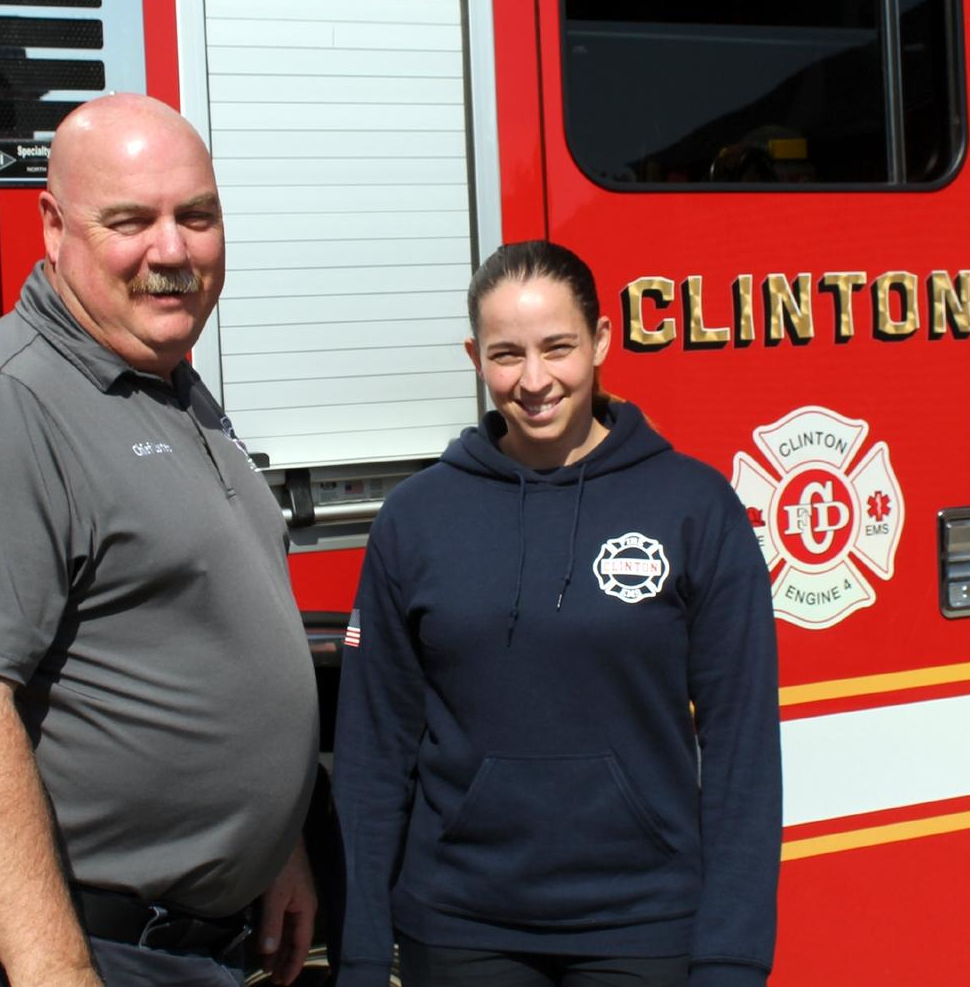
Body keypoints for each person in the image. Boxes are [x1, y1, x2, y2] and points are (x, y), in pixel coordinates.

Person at [0, 93, 319, 986]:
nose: (173, 251)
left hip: (178, 936)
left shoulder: (163, 382)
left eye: (197, 216)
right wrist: (57, 972)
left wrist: (275, 844)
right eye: (131, 221)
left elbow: (202, 630)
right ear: (53, 226)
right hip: (79, 948)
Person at [332, 240, 782, 987]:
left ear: (602, 341)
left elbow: (742, 750)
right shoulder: (417, 519)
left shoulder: (693, 508)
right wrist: (359, 952)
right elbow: (374, 751)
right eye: (506, 354)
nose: (534, 381)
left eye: (558, 348)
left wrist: (732, 954)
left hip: (644, 926)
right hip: (459, 925)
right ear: (475, 356)